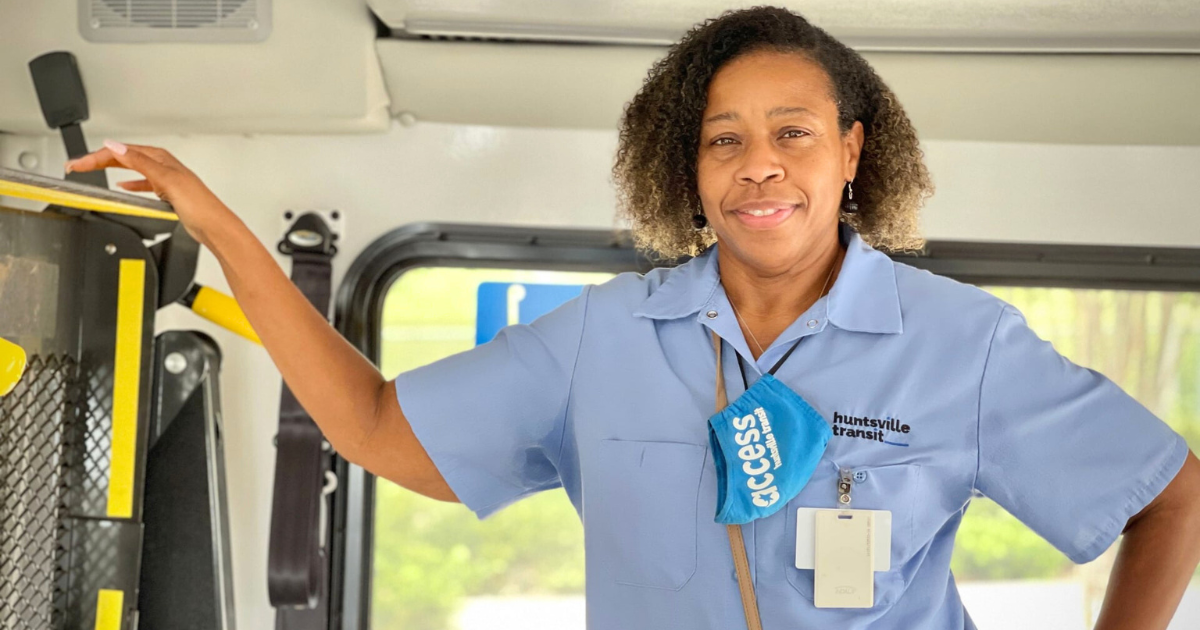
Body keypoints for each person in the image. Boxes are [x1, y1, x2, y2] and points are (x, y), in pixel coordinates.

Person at [63, 6, 1200, 629]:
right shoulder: (603, 338)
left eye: (794, 132)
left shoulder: (965, 345)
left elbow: (1170, 492)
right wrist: (221, 228)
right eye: (724, 138)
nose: (761, 166)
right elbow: (367, 422)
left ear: (853, 153)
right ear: (689, 168)